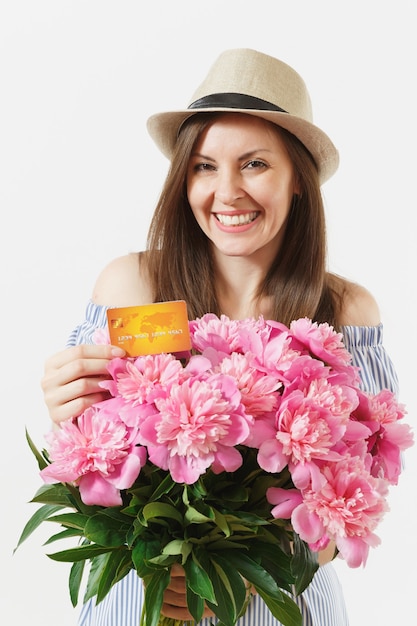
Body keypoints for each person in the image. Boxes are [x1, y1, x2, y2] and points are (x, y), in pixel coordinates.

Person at [41, 48, 399, 625]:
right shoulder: (133, 284)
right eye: (204, 166)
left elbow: (355, 506)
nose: (226, 192)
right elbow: (91, 470)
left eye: (255, 164)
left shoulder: (344, 311)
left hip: (281, 608)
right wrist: (65, 413)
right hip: (144, 605)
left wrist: (247, 574)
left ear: (299, 179)